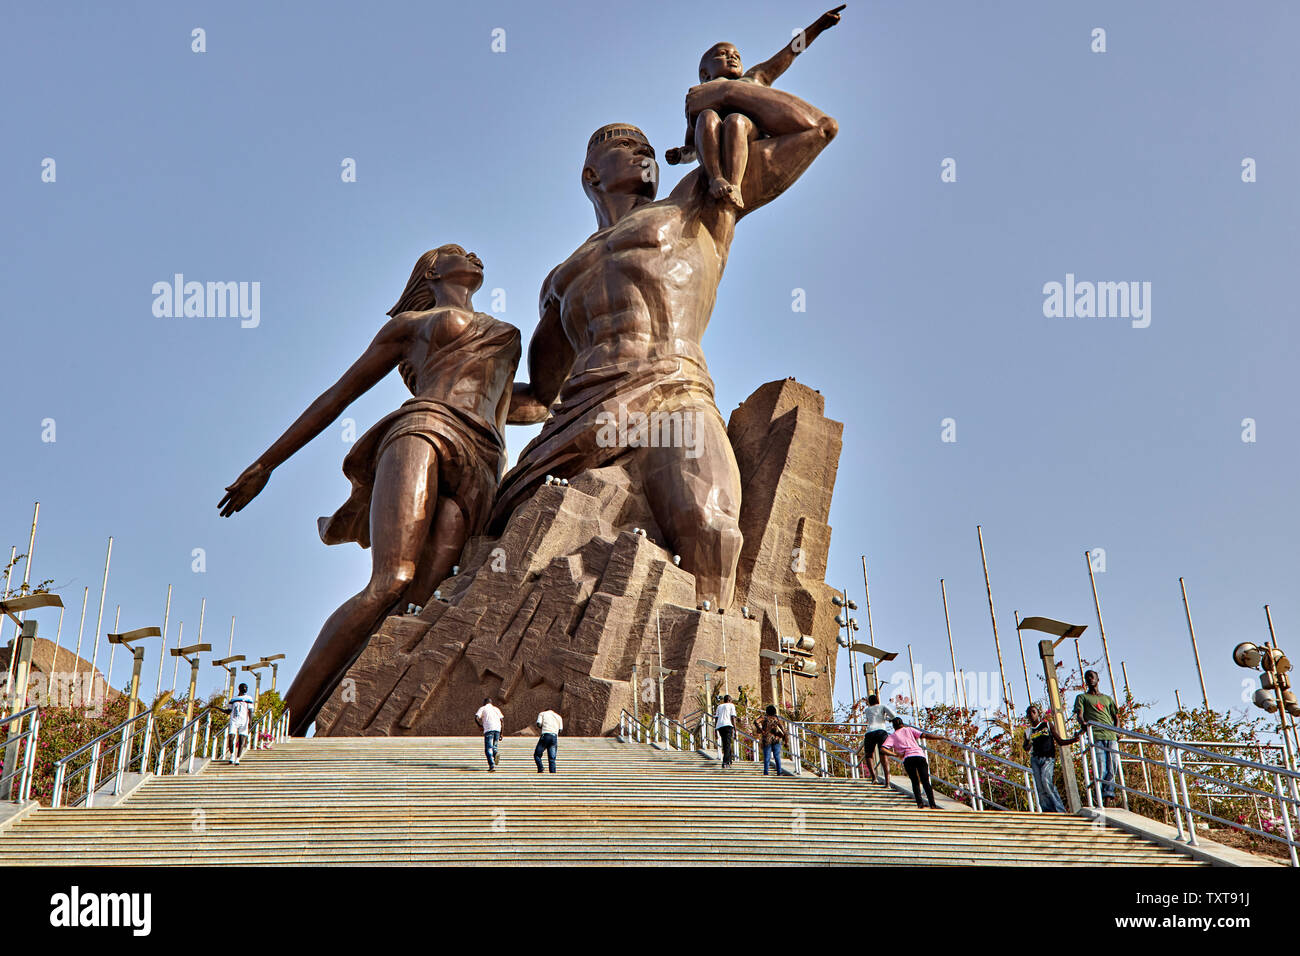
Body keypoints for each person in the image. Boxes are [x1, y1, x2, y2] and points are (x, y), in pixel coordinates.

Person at [491, 65, 839, 613]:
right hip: (581, 416)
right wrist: (452, 398)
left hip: (675, 393)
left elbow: (815, 129)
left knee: (712, 529)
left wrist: (722, 92)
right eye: (626, 146)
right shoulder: (559, 279)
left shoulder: (696, 203)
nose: (643, 152)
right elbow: (537, 396)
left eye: (649, 147)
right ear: (590, 176)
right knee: (500, 545)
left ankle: (711, 685)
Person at [219, 245, 533, 736]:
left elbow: (525, 403)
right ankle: (280, 724)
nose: (472, 254)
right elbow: (338, 394)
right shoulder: (411, 326)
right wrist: (266, 464)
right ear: (432, 270)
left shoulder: (502, 332)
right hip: (426, 427)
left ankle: (363, 716)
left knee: (425, 597)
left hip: (484, 460)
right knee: (391, 581)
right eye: (455, 251)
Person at [664, 6, 846, 209]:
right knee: (707, 116)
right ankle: (716, 177)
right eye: (722, 55)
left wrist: (816, 28)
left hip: (748, 134)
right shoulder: (699, 95)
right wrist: (680, 155)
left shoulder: (753, 78)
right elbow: (693, 143)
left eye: (736, 55)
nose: (732, 57)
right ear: (705, 74)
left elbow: (790, 52)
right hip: (713, 141)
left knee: (736, 121)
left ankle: (735, 184)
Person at [1073, 670, 1121, 806]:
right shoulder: (1082, 697)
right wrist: (1083, 724)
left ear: (1097, 679)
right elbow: (1080, 715)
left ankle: (1108, 796)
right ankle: (1099, 797)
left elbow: (1116, 717)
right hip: (1096, 735)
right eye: (1087, 677)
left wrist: (1117, 731)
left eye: (1092, 676)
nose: (1090, 679)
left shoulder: (1107, 699)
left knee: (1114, 765)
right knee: (1101, 767)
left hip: (1110, 735)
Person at [1024, 703, 1079, 813]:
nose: (1031, 715)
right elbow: (1025, 747)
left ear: (1038, 714)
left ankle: (1059, 809)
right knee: (1040, 787)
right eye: (1029, 713)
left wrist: (1073, 740)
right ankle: (1047, 810)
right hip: (1035, 759)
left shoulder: (1047, 725)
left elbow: (1059, 740)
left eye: (1033, 712)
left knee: (1046, 781)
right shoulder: (1028, 731)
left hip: (1048, 758)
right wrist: (1028, 745)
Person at [883, 717, 945, 809]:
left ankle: (920, 804)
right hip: (919, 756)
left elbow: (883, 748)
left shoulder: (893, 736)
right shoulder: (909, 729)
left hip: (908, 759)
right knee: (925, 781)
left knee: (915, 781)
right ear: (902, 724)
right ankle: (932, 804)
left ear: (893, 726)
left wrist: (895, 754)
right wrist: (941, 737)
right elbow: (925, 735)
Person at [859, 694, 896, 786]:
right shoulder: (882, 706)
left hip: (870, 732)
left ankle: (874, 778)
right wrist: (888, 719)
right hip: (881, 731)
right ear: (877, 700)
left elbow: (872, 718)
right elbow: (893, 715)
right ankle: (887, 782)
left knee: (869, 755)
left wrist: (884, 718)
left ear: (869, 702)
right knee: (883, 755)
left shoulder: (867, 710)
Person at [222, 683, 256, 765]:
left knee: (241, 740)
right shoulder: (233, 699)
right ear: (240, 688)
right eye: (244, 687)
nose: (245, 688)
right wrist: (217, 708)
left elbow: (251, 711)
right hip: (234, 720)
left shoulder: (248, 698)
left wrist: (250, 722)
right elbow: (228, 711)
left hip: (244, 721)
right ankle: (232, 755)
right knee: (231, 737)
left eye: (246, 687)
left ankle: (238, 758)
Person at [753, 705, 787, 776]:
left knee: (767, 757)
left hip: (767, 739)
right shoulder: (777, 719)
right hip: (776, 738)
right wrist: (785, 740)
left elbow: (756, 721)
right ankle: (779, 772)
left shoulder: (764, 718)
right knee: (777, 756)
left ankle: (766, 772)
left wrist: (761, 730)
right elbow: (783, 730)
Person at [475, 696, 505, 771]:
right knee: (494, 746)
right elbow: (502, 721)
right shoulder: (496, 709)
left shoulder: (483, 708)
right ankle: (495, 753)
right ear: (491, 703)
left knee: (488, 748)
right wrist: (501, 733)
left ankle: (491, 765)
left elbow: (476, 717)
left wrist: (480, 726)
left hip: (489, 729)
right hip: (497, 729)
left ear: (485, 703)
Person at [535, 708, 563, 773]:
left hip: (546, 735)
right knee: (552, 758)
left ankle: (540, 768)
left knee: (537, 754)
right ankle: (553, 774)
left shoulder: (542, 714)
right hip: (554, 737)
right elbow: (560, 730)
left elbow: (538, 724)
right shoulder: (558, 716)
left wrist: (545, 728)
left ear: (546, 710)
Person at [714, 694, 738, 767]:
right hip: (728, 725)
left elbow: (716, 718)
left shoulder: (719, 706)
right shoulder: (731, 705)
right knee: (727, 744)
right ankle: (725, 762)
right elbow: (733, 717)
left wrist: (715, 729)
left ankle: (729, 760)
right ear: (730, 700)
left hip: (720, 726)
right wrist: (735, 728)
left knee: (726, 743)